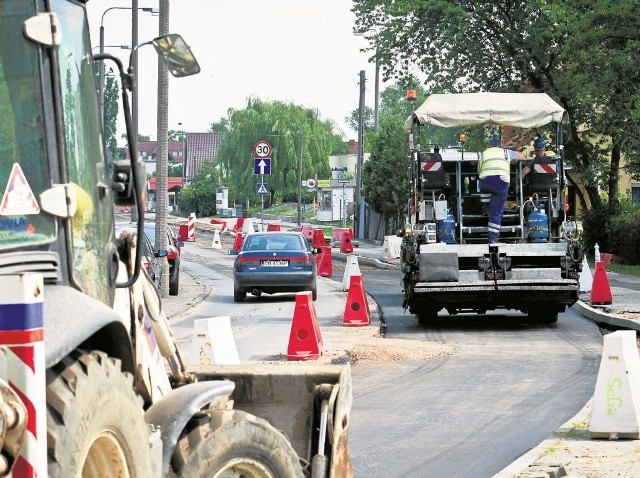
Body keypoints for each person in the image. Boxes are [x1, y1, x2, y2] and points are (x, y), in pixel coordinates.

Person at [478, 137, 526, 243]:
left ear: (490, 146)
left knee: (483, 188)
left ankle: (486, 208)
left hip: (485, 182)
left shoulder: (483, 153)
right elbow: (522, 156)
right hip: (500, 183)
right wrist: (512, 160)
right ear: (500, 146)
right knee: (496, 212)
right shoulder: (505, 152)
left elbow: (479, 170)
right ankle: (493, 239)